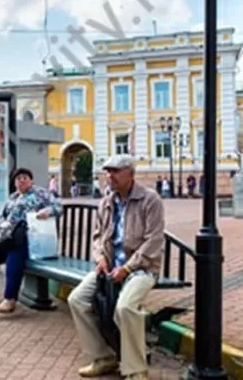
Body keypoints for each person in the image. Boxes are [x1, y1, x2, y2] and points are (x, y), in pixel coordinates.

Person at [68, 154, 165, 379]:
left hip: (142, 268)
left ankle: (136, 370)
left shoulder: (150, 199)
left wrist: (128, 269)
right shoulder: (107, 201)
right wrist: (100, 258)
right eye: (108, 171)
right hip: (111, 268)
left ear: (131, 174)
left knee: (125, 308)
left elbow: (154, 240)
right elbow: (97, 237)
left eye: (115, 171)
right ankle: (103, 357)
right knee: (77, 299)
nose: (110, 176)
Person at [0, 167, 62, 313]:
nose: (22, 181)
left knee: (15, 255)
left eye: (25, 177)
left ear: (31, 180)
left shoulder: (41, 193)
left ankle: (10, 299)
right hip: (8, 236)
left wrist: (48, 211)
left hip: (30, 237)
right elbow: (0, 216)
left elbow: (58, 206)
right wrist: (2, 223)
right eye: (18, 179)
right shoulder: (12, 198)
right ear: (15, 183)